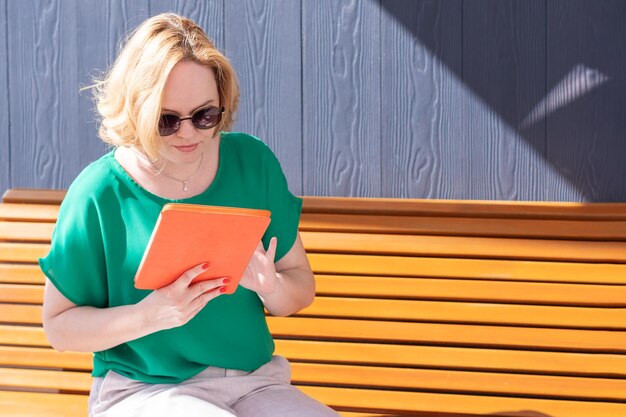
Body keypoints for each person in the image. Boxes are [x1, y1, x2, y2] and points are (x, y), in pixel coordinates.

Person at [39, 13, 338, 417]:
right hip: (143, 391)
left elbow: (300, 288)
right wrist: (148, 316)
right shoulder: (97, 192)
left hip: (253, 383)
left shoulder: (253, 163)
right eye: (166, 120)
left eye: (205, 116)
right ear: (136, 109)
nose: (187, 134)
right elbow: (59, 328)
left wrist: (271, 286)